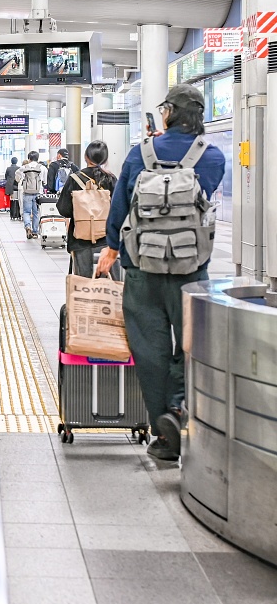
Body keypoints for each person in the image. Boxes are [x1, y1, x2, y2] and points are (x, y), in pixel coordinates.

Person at [96, 84, 225, 461]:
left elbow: (120, 208)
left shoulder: (140, 154)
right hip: (191, 272)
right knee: (189, 347)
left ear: (167, 113)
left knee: (149, 351)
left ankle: (164, 435)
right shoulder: (212, 157)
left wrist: (112, 248)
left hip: (143, 271)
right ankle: (179, 407)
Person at [56, 140, 116, 278]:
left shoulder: (74, 179)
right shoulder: (111, 179)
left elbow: (63, 209)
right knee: (107, 284)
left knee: (83, 282)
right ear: (105, 159)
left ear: (85, 157)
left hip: (80, 240)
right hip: (106, 239)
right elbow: (119, 209)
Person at [15, 151, 44, 239]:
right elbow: (45, 180)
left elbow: (17, 175)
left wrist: (19, 180)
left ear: (29, 159)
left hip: (27, 192)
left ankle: (28, 226)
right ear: (37, 158)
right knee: (36, 213)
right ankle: (35, 232)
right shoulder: (42, 168)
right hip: (38, 193)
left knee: (26, 212)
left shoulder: (24, 167)